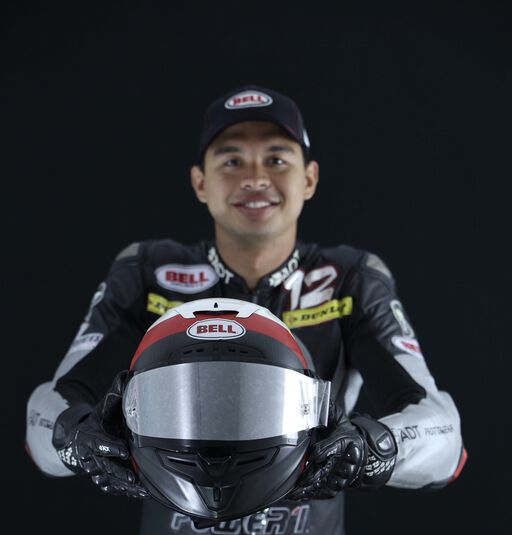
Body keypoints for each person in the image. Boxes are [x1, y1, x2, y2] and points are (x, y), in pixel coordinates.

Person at [25, 85, 467, 535]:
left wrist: (376, 449)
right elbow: (42, 417)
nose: (255, 179)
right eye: (232, 161)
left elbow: (446, 439)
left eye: (276, 159)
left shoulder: (350, 278)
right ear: (201, 182)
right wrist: (76, 438)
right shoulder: (147, 272)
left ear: (309, 178)